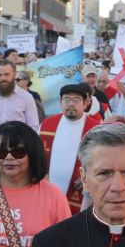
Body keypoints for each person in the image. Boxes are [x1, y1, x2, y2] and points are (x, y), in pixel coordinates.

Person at [40, 83, 102, 213]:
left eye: (76, 100)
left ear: (85, 103)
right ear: (61, 102)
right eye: (67, 99)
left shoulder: (96, 129)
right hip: (47, 189)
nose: (71, 104)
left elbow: (103, 159)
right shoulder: (46, 124)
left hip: (79, 194)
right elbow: (35, 154)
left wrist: (89, 175)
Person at [0, 62, 40, 130]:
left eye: (7, 74)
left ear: (14, 74)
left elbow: (33, 126)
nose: (3, 78)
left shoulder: (27, 97)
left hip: (19, 139)